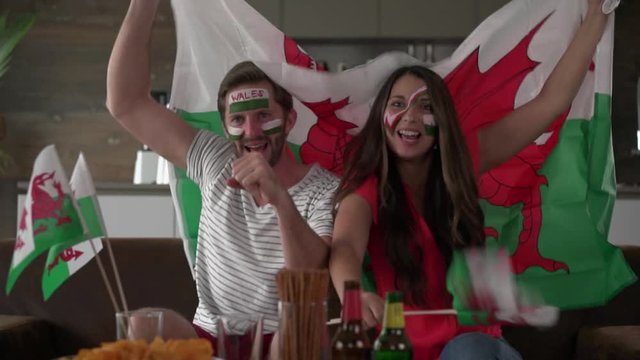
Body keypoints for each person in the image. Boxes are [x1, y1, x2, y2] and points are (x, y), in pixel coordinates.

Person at [328, 0, 610, 359]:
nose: (410, 117)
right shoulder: (367, 186)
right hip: (403, 350)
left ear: (441, 120)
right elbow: (345, 248)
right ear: (382, 117)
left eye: (425, 106)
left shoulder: (462, 161)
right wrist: (354, 295)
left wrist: (599, 13)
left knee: (470, 350)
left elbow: (550, 103)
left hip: (477, 348)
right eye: (397, 105)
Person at [106, 0, 339, 356]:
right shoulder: (215, 158)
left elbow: (307, 281)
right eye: (239, 120)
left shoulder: (324, 188)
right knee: (141, 324)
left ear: (290, 122)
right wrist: (144, 4)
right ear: (225, 126)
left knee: (298, 328)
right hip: (210, 336)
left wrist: (279, 197)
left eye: (264, 115)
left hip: (283, 339)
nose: (252, 132)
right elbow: (125, 102)